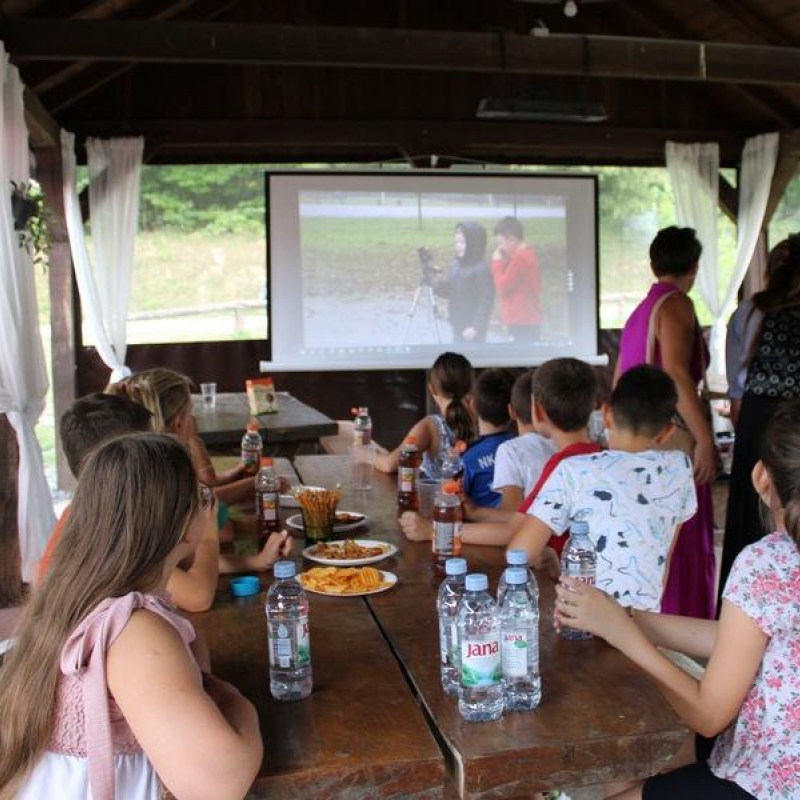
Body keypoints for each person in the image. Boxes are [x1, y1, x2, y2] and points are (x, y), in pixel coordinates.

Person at [555, 399, 800, 800]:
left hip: (773, 781)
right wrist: (630, 618)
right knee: (655, 761)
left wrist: (623, 635)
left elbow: (708, 715)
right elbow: (749, 636)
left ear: (761, 477)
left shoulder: (768, 562)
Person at [0, 433, 263, 799]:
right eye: (201, 499)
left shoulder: (75, 594)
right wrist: (237, 701)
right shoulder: (135, 632)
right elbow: (219, 783)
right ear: (182, 527)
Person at [38, 393, 292, 611]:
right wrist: (208, 528)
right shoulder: (105, 528)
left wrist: (254, 561)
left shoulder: (107, 510)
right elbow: (198, 596)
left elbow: (173, 568)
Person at [509, 365, 697, 612]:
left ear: (606, 414)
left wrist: (550, 557)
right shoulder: (679, 468)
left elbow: (519, 553)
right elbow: (664, 553)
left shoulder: (574, 469)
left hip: (583, 621)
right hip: (642, 620)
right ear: (666, 432)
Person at [616, 226, 717, 619]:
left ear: (654, 263)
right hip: (671, 433)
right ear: (693, 266)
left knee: (652, 536)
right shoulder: (676, 304)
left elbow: (618, 380)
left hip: (639, 435)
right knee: (684, 533)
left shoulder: (640, 310)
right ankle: (685, 627)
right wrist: (705, 439)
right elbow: (676, 372)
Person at [720, 233, 800, 601]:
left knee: (749, 516)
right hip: (794, 424)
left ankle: (743, 606)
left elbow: (736, 393)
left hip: (757, 416)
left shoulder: (750, 310)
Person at [375, 351, 476, 479]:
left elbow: (390, 465)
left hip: (436, 499)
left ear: (432, 389)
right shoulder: (481, 422)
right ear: (471, 387)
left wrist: (370, 454)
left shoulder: (430, 426)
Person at [490, 369, 556, 511]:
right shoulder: (562, 445)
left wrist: (474, 512)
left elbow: (511, 516)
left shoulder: (510, 451)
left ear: (511, 411)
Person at [460, 367, 516, 508]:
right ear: (514, 409)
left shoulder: (467, 458)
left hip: (479, 526)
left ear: (472, 406)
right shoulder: (522, 448)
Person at [433, 221, 495, 343]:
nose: (458, 246)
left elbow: (486, 300)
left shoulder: (481, 269)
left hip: (472, 330)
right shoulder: (456, 264)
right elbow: (452, 290)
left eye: (462, 242)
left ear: (474, 244)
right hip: (457, 323)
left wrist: (476, 327)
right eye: (457, 242)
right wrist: (435, 283)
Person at [490, 216, 542, 342]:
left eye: (501, 243)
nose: (499, 248)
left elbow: (503, 286)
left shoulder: (520, 258)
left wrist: (497, 263)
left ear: (512, 239)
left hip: (522, 321)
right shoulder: (526, 254)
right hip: (526, 318)